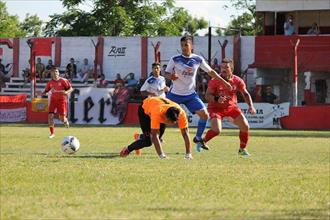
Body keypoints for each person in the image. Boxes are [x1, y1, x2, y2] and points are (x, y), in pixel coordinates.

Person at [165, 36, 232, 152]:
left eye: (186, 45)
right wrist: (171, 76)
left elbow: (211, 72)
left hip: (190, 95)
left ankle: (197, 137)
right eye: (182, 45)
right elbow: (166, 73)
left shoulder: (197, 59)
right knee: (164, 119)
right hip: (174, 94)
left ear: (192, 46)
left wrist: (225, 82)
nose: (184, 47)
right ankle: (147, 135)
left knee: (205, 115)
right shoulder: (175, 59)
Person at [198, 58, 256, 156]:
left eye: (226, 67)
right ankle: (202, 141)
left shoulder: (237, 80)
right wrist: (216, 99)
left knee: (245, 126)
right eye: (222, 67)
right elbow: (207, 95)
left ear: (231, 69)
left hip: (231, 108)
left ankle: (242, 149)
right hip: (215, 108)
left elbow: (245, 94)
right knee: (217, 130)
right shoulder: (215, 80)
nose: (223, 69)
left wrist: (251, 106)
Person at [120, 96, 193, 159]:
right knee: (148, 141)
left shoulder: (181, 114)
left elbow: (185, 133)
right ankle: (127, 149)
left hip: (157, 104)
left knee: (156, 138)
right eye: (170, 122)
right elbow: (155, 135)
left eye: (174, 122)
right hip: (145, 109)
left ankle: (139, 137)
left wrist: (188, 154)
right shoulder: (157, 113)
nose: (172, 124)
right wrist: (162, 156)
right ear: (165, 117)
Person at [135, 62, 169, 149]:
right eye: (154, 68)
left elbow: (163, 89)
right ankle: (147, 138)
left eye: (158, 68)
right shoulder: (150, 80)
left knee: (161, 123)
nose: (156, 70)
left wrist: (166, 89)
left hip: (162, 103)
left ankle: (142, 137)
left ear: (160, 69)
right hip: (153, 105)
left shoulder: (162, 78)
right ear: (152, 70)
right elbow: (142, 91)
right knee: (156, 124)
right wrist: (151, 93)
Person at [40, 68, 74, 139]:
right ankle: (52, 133)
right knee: (50, 116)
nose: (55, 73)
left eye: (56, 71)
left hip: (62, 101)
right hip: (53, 100)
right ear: (51, 74)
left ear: (58, 73)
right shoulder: (50, 83)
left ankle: (65, 121)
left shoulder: (64, 80)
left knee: (62, 118)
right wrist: (41, 93)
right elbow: (46, 91)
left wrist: (66, 92)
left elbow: (71, 88)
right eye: (53, 72)